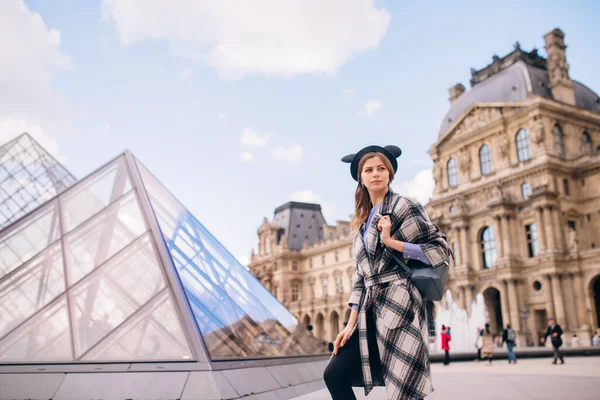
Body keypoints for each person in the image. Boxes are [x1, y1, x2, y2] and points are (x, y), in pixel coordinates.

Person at [323, 145, 449, 400]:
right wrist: (349, 324)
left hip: (399, 305)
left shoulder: (405, 207)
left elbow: (439, 250)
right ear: (361, 178)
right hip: (369, 311)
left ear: (390, 174)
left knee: (404, 390)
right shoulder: (361, 219)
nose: (375, 174)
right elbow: (361, 277)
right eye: (368, 170)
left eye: (381, 168)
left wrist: (392, 241)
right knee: (333, 374)